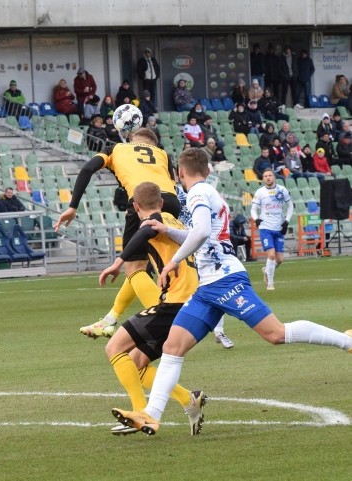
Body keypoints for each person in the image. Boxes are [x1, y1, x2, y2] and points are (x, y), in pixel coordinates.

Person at [111, 148, 352, 436]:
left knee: (275, 334)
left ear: (180, 173)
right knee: (172, 348)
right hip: (207, 288)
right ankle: (151, 415)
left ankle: (345, 341)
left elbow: (200, 234)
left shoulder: (199, 192)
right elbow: (199, 233)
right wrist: (168, 231)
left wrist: (172, 262)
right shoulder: (205, 192)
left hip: (225, 279)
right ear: (208, 170)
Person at [98, 182, 206, 436]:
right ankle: (189, 399)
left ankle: (141, 413)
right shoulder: (171, 219)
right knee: (137, 361)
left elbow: (145, 232)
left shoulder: (153, 222)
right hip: (193, 301)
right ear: (160, 201)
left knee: (114, 347)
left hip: (175, 302)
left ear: (135, 206)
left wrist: (119, 261)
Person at [54, 127, 178, 339]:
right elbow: (174, 184)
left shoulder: (117, 148)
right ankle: (110, 320)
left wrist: (73, 206)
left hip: (143, 202)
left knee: (134, 268)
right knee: (147, 267)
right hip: (172, 203)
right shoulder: (163, 154)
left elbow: (86, 169)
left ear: (132, 139)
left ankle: (166, 321)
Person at [252, 169, 293, 291]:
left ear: (274, 177)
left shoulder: (282, 190)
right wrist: (256, 219)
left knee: (280, 259)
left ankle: (266, 270)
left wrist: (287, 221)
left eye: (270, 175)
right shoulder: (260, 192)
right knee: (271, 255)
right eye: (265, 176)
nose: (268, 177)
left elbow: (290, 205)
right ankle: (270, 283)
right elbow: (253, 209)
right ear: (263, 178)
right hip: (266, 227)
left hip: (279, 227)